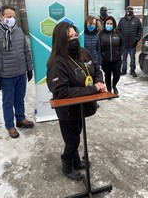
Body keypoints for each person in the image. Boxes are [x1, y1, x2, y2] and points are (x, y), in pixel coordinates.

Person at [46, 22, 106, 181]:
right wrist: (93, 89)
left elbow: (96, 70)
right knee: (72, 141)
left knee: (76, 135)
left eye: (75, 35)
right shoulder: (57, 62)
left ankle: (76, 160)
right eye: (69, 37)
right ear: (61, 40)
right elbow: (61, 91)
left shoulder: (84, 52)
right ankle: (67, 164)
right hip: (67, 110)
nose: (74, 39)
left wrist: (98, 82)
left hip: (81, 107)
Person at [0, 5, 34, 139]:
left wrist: (29, 68)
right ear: (1, 17)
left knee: (20, 98)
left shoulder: (18, 31)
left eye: (14, 17)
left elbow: (26, 51)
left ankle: (21, 119)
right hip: (6, 75)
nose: (12, 19)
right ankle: (10, 126)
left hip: (21, 72)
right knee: (8, 101)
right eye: (9, 17)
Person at [98, 16, 124, 95]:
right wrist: (102, 56)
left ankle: (114, 85)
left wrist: (119, 53)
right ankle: (109, 89)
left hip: (117, 59)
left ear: (114, 24)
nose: (109, 25)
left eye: (111, 24)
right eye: (107, 23)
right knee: (107, 75)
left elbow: (122, 45)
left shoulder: (118, 33)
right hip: (106, 60)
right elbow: (98, 47)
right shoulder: (101, 34)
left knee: (117, 75)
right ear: (105, 24)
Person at [118, 6, 143, 77]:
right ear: (126, 11)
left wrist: (137, 39)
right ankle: (124, 70)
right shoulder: (122, 20)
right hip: (124, 43)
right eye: (128, 9)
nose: (129, 10)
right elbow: (118, 30)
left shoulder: (137, 20)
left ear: (133, 10)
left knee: (132, 58)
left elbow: (140, 30)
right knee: (124, 58)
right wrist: (121, 38)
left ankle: (132, 70)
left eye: (131, 9)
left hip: (133, 43)